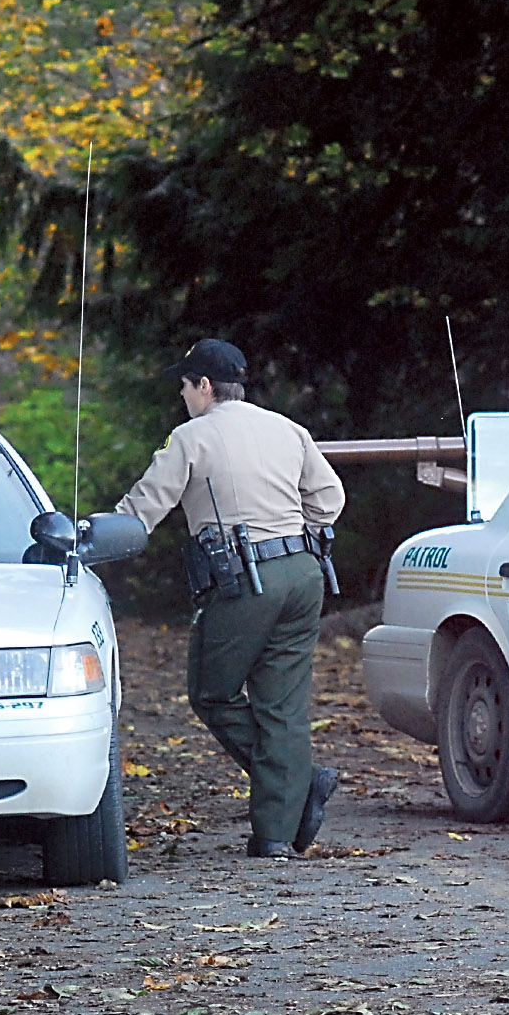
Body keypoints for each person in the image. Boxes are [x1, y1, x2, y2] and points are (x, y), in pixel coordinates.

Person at [114, 339, 347, 858]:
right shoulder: (288, 428)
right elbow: (329, 498)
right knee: (282, 707)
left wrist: (93, 541)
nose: (182, 396)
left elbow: (144, 508)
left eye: (184, 385)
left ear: (204, 386)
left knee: (213, 693)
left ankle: (301, 779)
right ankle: (274, 836)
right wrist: (294, 533)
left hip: (245, 581)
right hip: (304, 574)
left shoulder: (191, 437)